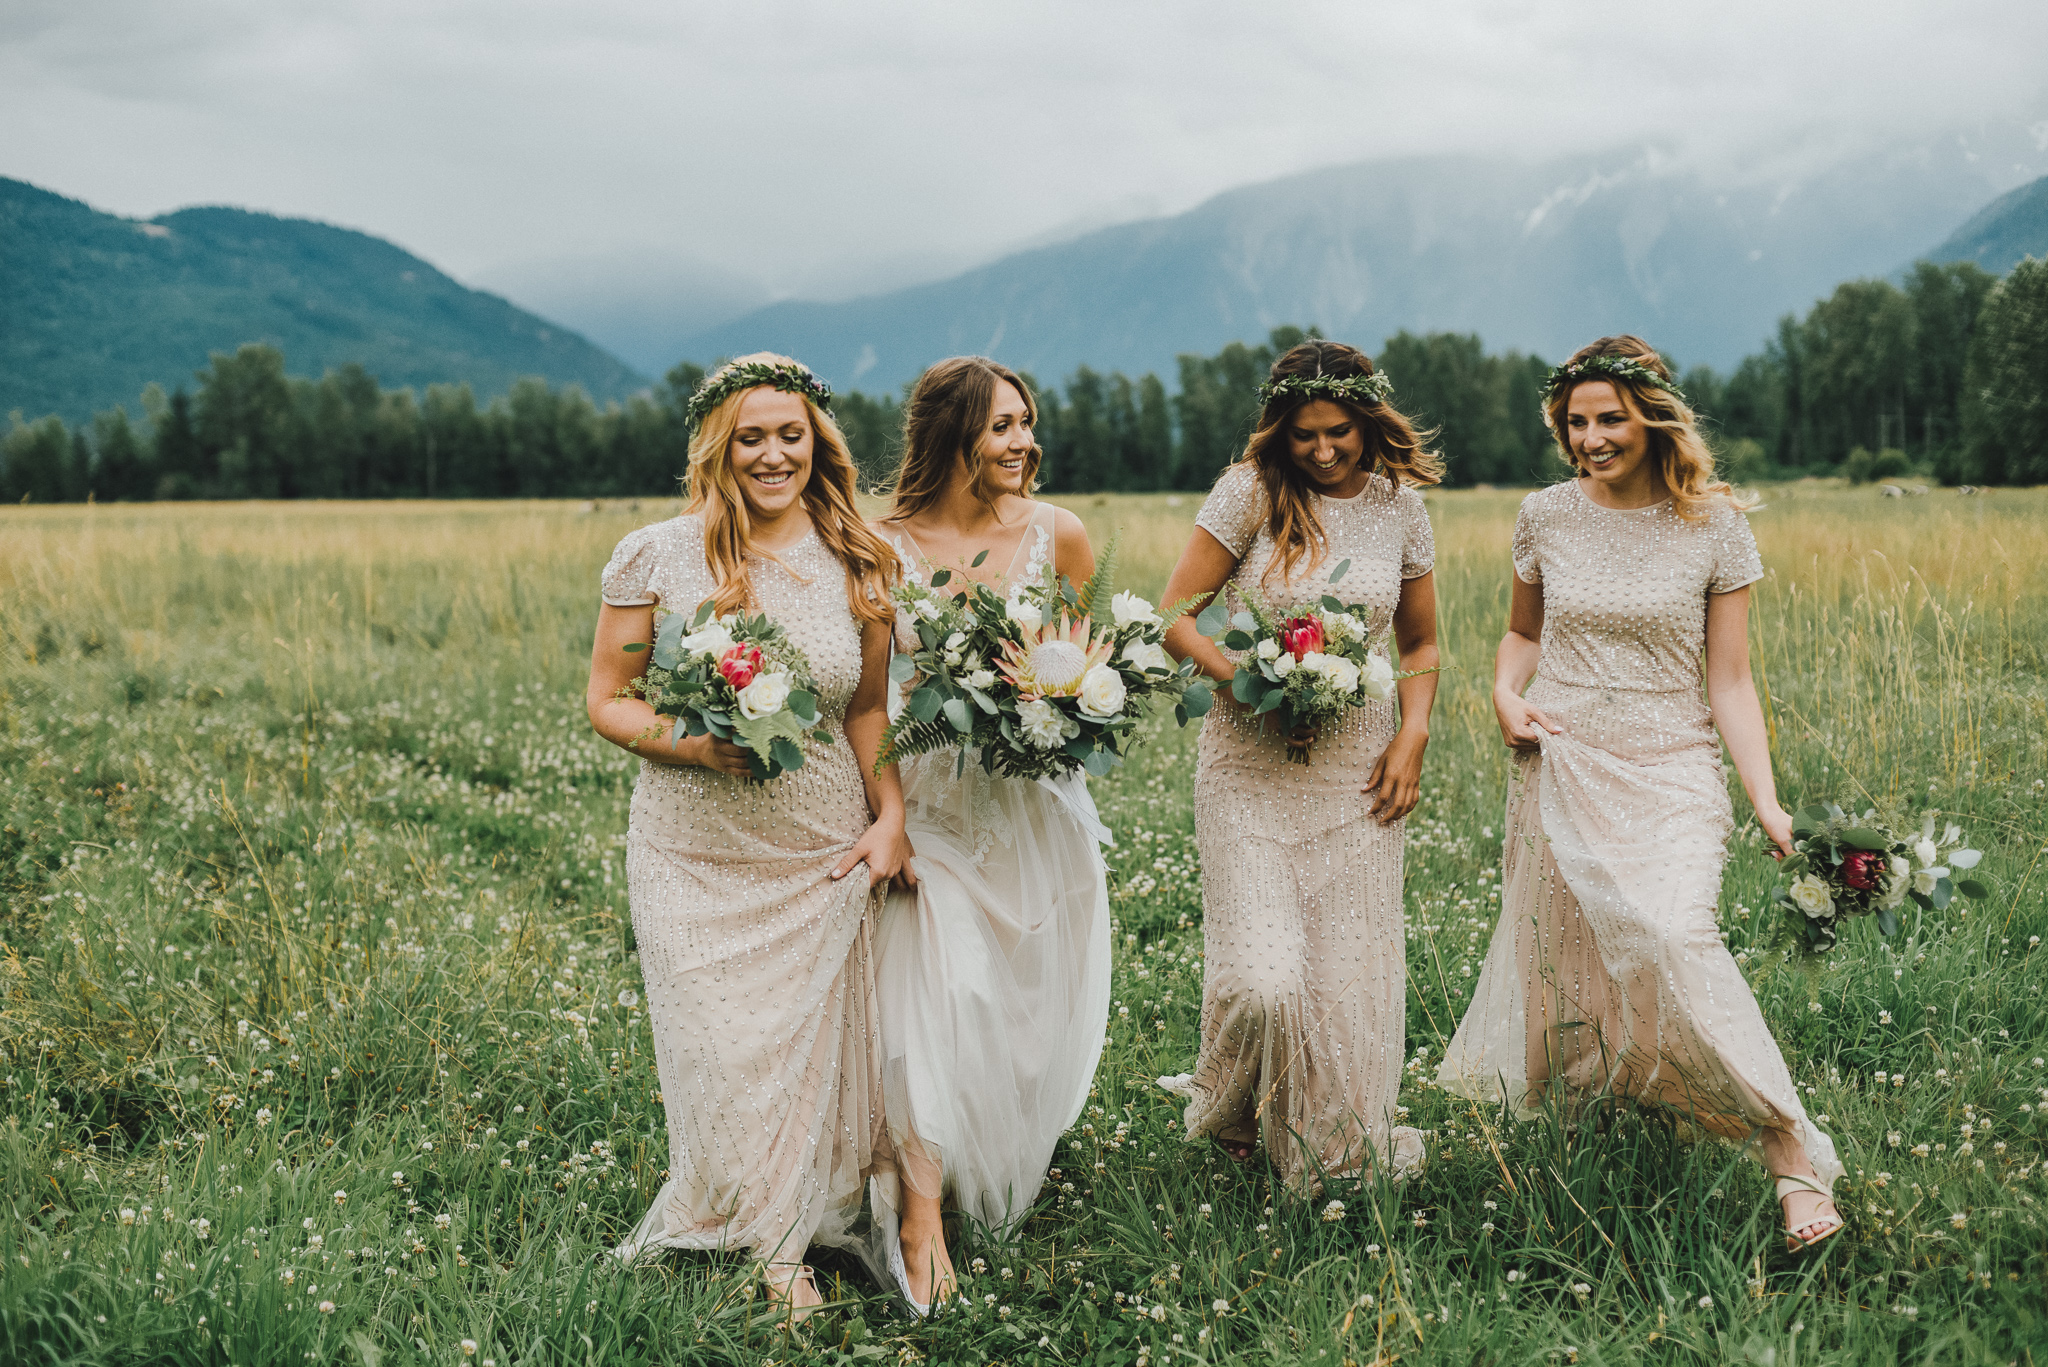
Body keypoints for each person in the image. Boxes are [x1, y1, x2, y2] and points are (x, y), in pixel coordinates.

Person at [1436, 336, 1844, 1252]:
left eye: (1608, 418)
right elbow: (1519, 634)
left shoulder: (1716, 526)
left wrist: (1769, 803)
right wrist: (1504, 692)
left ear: (1653, 415)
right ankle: (1610, 1112)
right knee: (1570, 958)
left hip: (1672, 763)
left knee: (1671, 932)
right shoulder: (1543, 516)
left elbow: (1731, 682)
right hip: (1564, 754)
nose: (1589, 438)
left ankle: (1788, 1147)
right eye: (1575, 422)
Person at [586, 354, 915, 1314]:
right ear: (717, 448)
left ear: (818, 443)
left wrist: (890, 812)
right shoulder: (655, 554)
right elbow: (608, 699)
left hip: (817, 841)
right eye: (751, 437)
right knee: (722, 1046)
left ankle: (787, 1242)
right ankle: (763, 1237)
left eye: (791, 435)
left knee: (805, 1046)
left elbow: (863, 709)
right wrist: (688, 743)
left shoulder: (859, 556)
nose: (773, 455)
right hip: (692, 847)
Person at [1156, 339, 1440, 1189]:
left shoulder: (1401, 510)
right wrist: (1234, 679)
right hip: (1250, 768)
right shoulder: (1249, 492)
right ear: (1279, 427)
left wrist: (1413, 732)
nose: (1322, 450)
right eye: (1305, 433)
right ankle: (1234, 1099)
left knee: (1342, 985)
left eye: (1340, 432)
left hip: (1358, 772)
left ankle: (1318, 1146)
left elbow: (1421, 641)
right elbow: (1176, 612)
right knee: (1262, 983)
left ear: (1369, 421)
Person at [867, 356, 1113, 1315]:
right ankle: (921, 1211)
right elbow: (866, 701)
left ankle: (977, 1153)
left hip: (1031, 806)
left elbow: (1087, 670)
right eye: (1000, 426)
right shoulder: (881, 546)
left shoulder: (1062, 535)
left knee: (1018, 1011)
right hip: (929, 800)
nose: (1022, 442)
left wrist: (1067, 708)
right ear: (949, 434)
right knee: (943, 983)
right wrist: (889, 811)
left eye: (1027, 422)